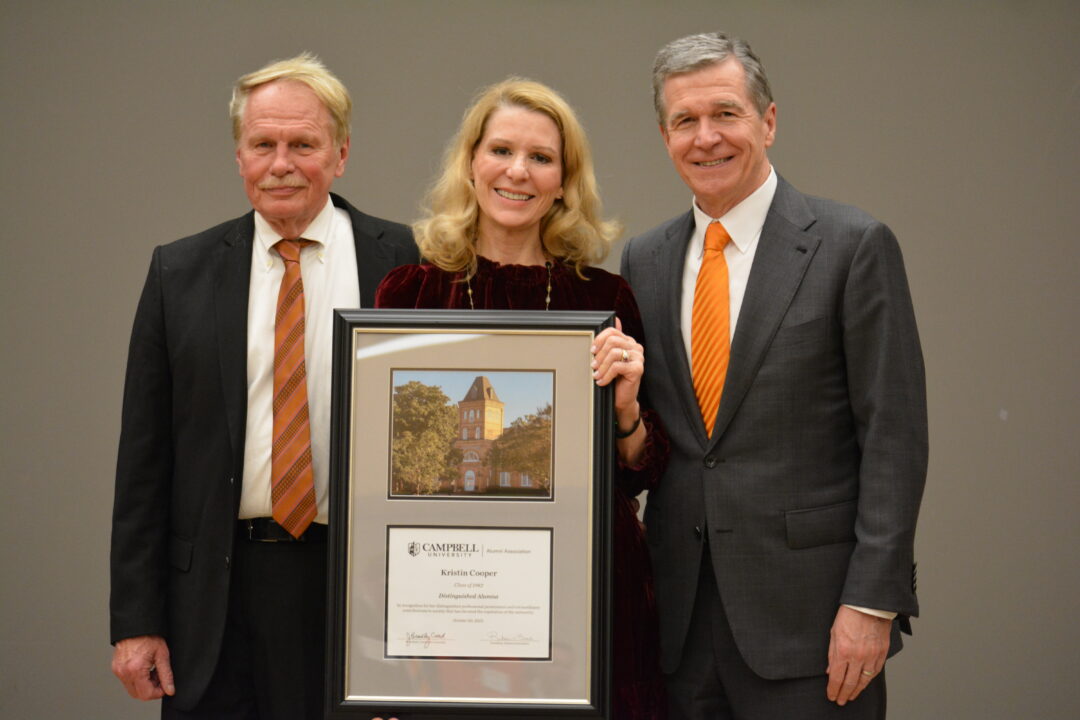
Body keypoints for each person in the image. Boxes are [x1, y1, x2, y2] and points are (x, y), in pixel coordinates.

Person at [620, 32, 928, 719]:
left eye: (725, 113)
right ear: (665, 135)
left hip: (812, 628)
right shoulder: (644, 260)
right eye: (684, 121)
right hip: (677, 630)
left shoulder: (852, 247)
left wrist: (871, 603)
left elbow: (894, 437)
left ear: (769, 121)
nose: (706, 138)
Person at [109, 53, 418, 719]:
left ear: (341, 153)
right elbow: (144, 460)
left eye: (303, 144)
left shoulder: (408, 263)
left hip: (363, 589)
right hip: (218, 598)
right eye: (263, 144)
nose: (281, 163)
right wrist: (136, 620)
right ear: (240, 156)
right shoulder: (179, 273)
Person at [374, 78, 668, 719]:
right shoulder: (408, 293)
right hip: (446, 595)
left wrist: (624, 412)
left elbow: (643, 469)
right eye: (501, 150)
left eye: (541, 158)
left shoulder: (605, 298)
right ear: (471, 163)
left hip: (588, 594)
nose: (518, 171)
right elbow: (380, 483)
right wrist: (376, 662)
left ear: (564, 180)